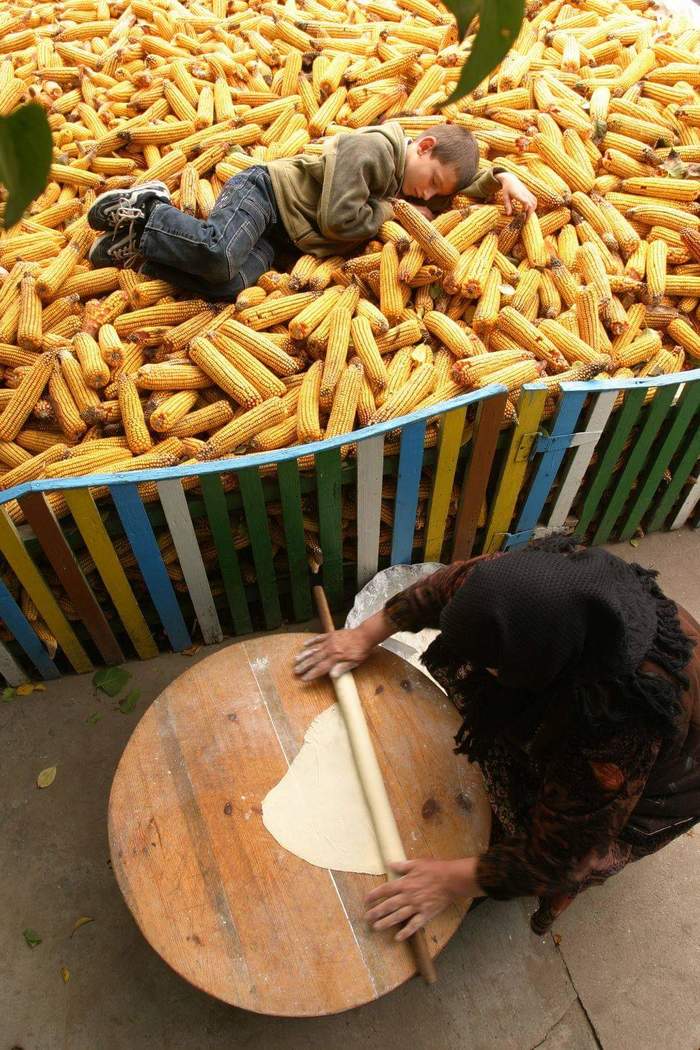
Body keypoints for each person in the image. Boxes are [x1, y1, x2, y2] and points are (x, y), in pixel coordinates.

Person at [294, 542, 700, 939]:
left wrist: (450, 880)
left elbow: (561, 856)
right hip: (584, 679)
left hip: (673, 781)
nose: (483, 671)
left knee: (540, 815)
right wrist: (366, 634)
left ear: (542, 666)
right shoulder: (524, 579)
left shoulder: (614, 722)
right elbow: (441, 588)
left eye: (495, 666)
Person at [84, 122, 537, 301]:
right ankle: (148, 208)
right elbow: (340, 219)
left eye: (438, 191)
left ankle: (142, 250)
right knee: (218, 254)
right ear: (422, 146)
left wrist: (502, 177)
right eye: (432, 182)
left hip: (282, 240)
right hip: (265, 195)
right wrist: (389, 213)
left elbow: (458, 186)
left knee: (228, 287)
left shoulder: (410, 177)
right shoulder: (373, 150)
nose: (428, 195)